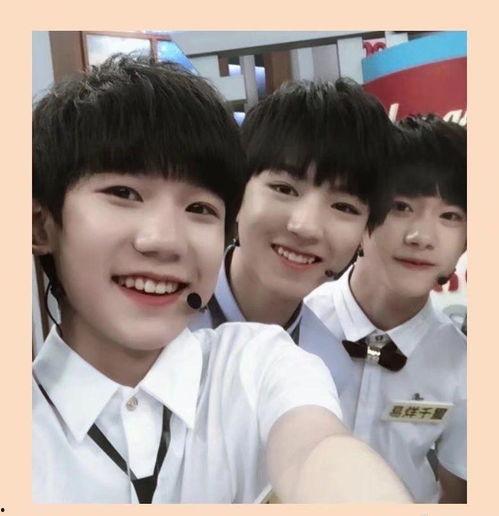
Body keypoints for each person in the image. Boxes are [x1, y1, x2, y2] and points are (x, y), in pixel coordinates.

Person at [32, 55, 411, 504]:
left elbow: (316, 450)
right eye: (124, 193)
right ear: (40, 224)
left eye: (199, 208)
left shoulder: (269, 362)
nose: (164, 241)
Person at [304, 115, 467, 503]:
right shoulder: (295, 324)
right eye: (400, 206)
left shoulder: (464, 364)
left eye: (450, 216)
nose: (421, 237)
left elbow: (460, 494)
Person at [190, 78, 393, 353]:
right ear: (238, 190)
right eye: (284, 189)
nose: (305, 227)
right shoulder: (158, 321)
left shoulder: (329, 365)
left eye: (344, 207)